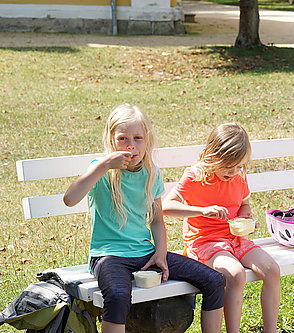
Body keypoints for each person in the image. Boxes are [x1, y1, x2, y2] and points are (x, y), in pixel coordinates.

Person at [62, 104, 225, 333]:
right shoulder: (100, 170)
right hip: (108, 256)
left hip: (145, 253)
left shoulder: (151, 172)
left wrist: (161, 252)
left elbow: (157, 220)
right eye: (123, 138)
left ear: (147, 139)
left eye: (138, 138)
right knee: (118, 296)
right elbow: (70, 199)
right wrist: (104, 165)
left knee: (214, 281)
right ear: (111, 139)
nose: (131, 145)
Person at [162, 122, 281, 333]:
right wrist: (201, 210)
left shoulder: (238, 175)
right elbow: (166, 207)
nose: (234, 172)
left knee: (272, 270)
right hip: (205, 241)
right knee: (235, 274)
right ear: (213, 155)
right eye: (229, 166)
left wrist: (246, 218)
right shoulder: (195, 176)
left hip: (235, 239)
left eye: (239, 166)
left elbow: (244, 204)